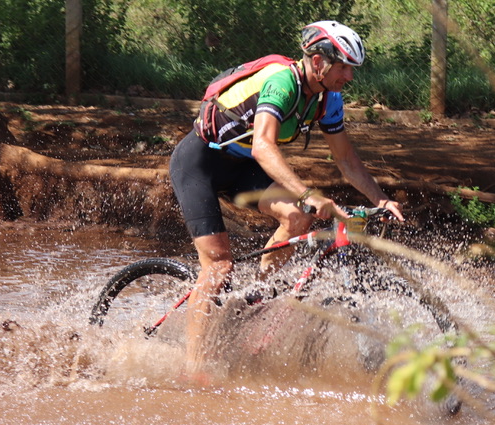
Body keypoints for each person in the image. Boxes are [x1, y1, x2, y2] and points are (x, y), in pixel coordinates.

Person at [168, 20, 404, 379]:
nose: (349, 77)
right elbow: (263, 146)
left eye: (351, 69)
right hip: (200, 163)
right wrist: (309, 193)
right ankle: (193, 370)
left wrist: (381, 199)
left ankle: (255, 299)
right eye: (343, 67)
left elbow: (345, 160)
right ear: (318, 62)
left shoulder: (329, 100)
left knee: (298, 219)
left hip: (243, 168)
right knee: (218, 265)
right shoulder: (281, 83)